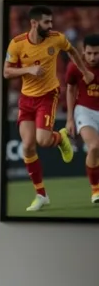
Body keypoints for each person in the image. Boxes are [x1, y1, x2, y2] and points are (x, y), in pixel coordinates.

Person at [3, 5, 94, 212]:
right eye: (46, 22)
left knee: (42, 140)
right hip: (26, 99)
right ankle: (41, 195)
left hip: (47, 96)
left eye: (51, 21)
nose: (51, 25)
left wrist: (84, 72)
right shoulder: (17, 44)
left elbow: (72, 51)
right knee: (27, 145)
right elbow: (7, 72)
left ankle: (59, 139)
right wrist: (28, 69)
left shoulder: (57, 38)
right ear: (34, 23)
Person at [65, 33, 99, 204]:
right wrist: (70, 118)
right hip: (85, 111)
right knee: (93, 147)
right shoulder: (74, 67)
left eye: (97, 53)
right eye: (89, 53)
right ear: (83, 52)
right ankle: (95, 190)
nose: (93, 57)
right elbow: (70, 91)